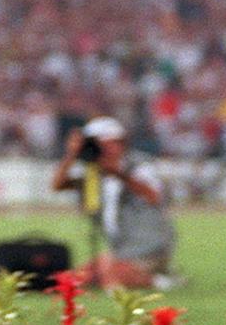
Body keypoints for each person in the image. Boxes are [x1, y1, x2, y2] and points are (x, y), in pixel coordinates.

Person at [52, 116, 181, 291]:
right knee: (81, 277)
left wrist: (118, 174)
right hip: (121, 248)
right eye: (98, 144)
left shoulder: (139, 165)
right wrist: (72, 154)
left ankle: (161, 281)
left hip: (149, 245)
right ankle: (154, 276)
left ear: (121, 142)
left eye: (108, 143)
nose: (106, 150)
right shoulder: (93, 173)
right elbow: (58, 185)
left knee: (110, 274)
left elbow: (154, 196)